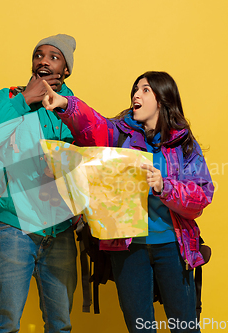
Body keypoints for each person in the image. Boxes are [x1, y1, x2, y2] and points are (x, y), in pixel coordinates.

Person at [42, 71, 214, 332]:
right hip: (127, 248)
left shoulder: (183, 145)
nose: (136, 94)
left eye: (145, 90)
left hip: (173, 246)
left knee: (185, 327)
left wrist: (164, 186)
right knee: (140, 328)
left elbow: (201, 195)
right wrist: (67, 105)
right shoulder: (118, 134)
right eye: (135, 89)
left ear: (163, 99)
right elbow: (93, 124)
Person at [0, 34, 78, 333]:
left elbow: (91, 156)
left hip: (61, 230)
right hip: (14, 227)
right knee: (6, 324)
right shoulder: (3, 99)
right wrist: (25, 100)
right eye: (38, 55)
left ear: (66, 70)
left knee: (61, 325)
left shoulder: (74, 109)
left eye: (54, 57)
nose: (43, 60)